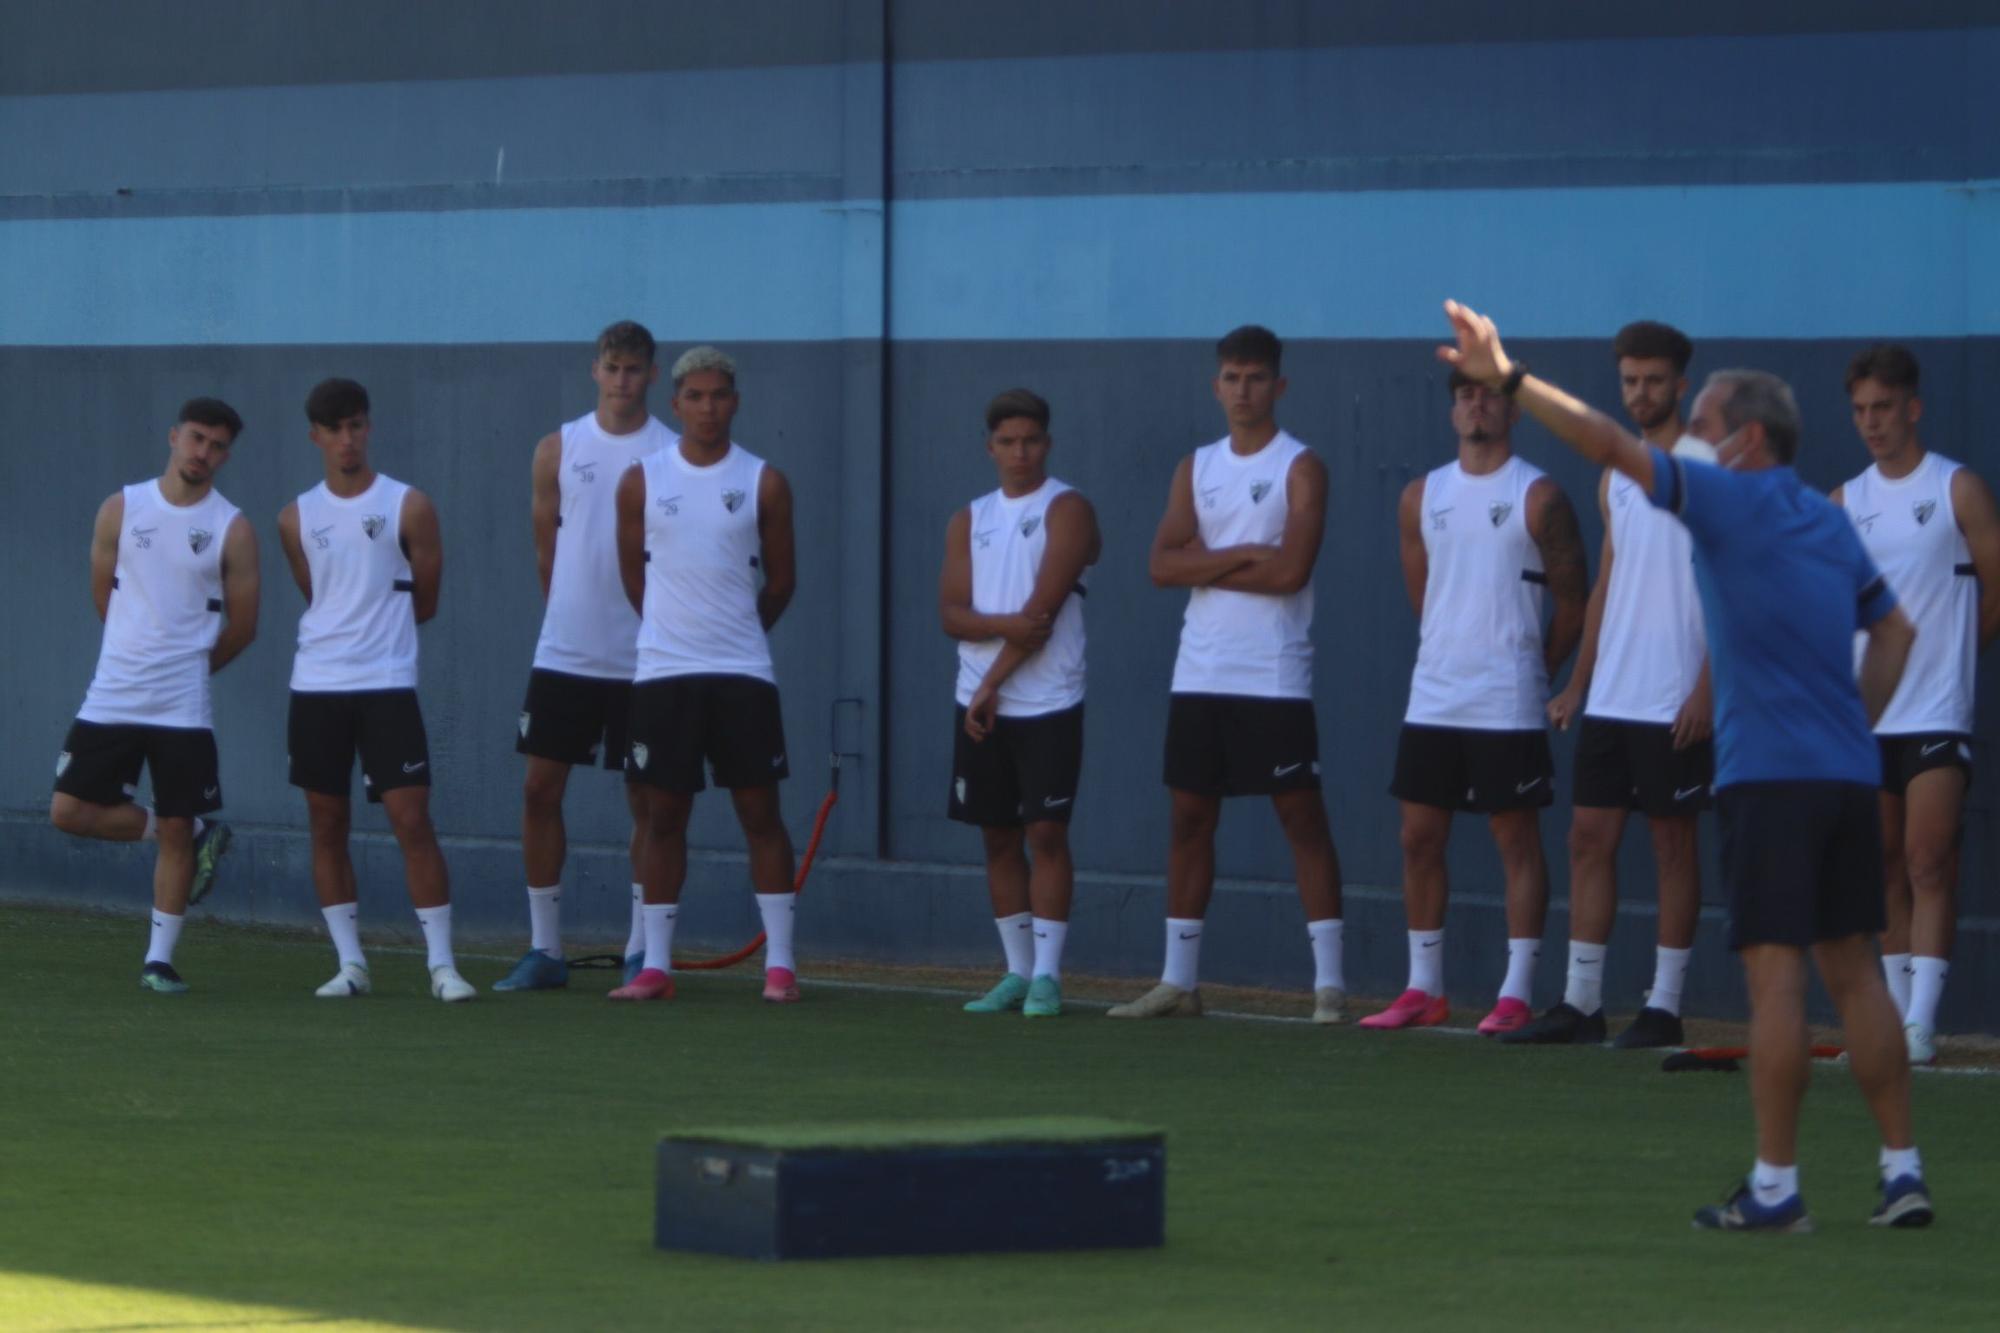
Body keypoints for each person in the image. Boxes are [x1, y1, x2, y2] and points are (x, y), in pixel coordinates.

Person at [1436, 298, 1930, 1231]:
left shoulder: (1726, 492)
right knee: (1859, 975)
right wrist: (1856, 728)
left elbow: (1605, 444)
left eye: (1700, 423)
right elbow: (1897, 630)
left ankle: (1778, 1189)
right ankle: (1903, 1172)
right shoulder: (1829, 521)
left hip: (1773, 780)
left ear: (1743, 439)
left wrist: (1508, 376)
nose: (1683, 436)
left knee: (1777, 985)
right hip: (1841, 777)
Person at [1108, 325, 1347, 1023]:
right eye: (1232, 378)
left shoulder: (1303, 465)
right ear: (1217, 387)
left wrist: (1208, 558)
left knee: (1301, 817)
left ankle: (1328, 985)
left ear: (1279, 385)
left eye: (1256, 378)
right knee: (1189, 817)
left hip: (1272, 674)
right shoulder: (1197, 466)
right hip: (1200, 671)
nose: (1244, 390)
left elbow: (1291, 571)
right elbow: (1160, 565)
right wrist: (1246, 551)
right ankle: (1179, 982)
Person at [1508, 322, 1714, 1048]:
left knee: (1671, 848)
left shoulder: (1710, 466)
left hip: (1677, 697)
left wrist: (1707, 690)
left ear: (1681, 385)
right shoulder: (1614, 474)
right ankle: (1582, 1002)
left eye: (1654, 380)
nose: (1641, 392)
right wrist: (1577, 686)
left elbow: (1741, 583)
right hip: (1614, 698)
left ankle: (1663, 1006)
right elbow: (1607, 587)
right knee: (1587, 839)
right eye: (1630, 380)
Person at [1362, 371, 1586, 1034]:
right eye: (1464, 394)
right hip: (1434, 694)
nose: (1476, 404)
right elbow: (1424, 596)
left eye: (1488, 393)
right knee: (1418, 836)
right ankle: (1423, 988)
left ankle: (1515, 992)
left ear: (1513, 408)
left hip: (1508, 698)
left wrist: (1533, 668)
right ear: (1453, 408)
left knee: (1514, 838)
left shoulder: (1539, 495)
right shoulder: (1419, 497)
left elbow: (1575, 601)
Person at [609, 346, 801, 1003]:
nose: (708, 407)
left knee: (760, 812)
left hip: (742, 672)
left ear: (736, 401)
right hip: (664, 674)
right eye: (695, 396)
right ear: (676, 403)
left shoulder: (762, 481)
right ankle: (656, 965)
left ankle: (780, 964)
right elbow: (636, 577)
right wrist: (676, 632)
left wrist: (734, 634)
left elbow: (781, 583)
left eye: (719, 395)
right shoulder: (641, 479)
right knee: (663, 815)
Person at [49, 398, 256, 993]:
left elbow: (242, 626)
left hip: (182, 708)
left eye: (217, 446)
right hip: (112, 694)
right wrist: (135, 655)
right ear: (173, 436)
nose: (203, 454)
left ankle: (159, 960)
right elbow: (103, 599)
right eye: (196, 439)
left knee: (173, 821)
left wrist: (186, 666)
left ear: (226, 455)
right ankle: (195, 835)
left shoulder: (231, 528)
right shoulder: (122, 508)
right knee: (69, 811)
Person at [276, 378, 473, 1002]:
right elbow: (321, 598)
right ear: (316, 437)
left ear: (369, 427)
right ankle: (351, 964)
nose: (346, 440)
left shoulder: (408, 504)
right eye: (334, 430)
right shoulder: (294, 517)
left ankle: (442, 966)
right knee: (325, 820)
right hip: (316, 687)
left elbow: (428, 600)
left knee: (411, 819)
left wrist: (376, 639)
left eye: (356, 425)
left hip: (387, 686)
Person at [496, 321, 678, 992]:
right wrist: (571, 616)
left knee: (648, 802)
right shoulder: (558, 448)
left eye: (635, 369)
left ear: (652, 375)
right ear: (595, 371)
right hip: (567, 652)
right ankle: (545, 949)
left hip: (647, 658)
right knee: (539, 789)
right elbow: (548, 551)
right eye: (613, 368)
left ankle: (641, 948)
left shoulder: (670, 453)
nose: (623, 379)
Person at [1831, 345, 2000, 1064]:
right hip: (1866, 717)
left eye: (1882, 408)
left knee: (1929, 860)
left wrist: (1958, 657)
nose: (1871, 423)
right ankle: (1896, 1017)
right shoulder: (1846, 501)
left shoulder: (1956, 488)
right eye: (1861, 411)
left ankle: (1921, 1023)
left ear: (1913, 407)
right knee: (1886, 867)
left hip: (1936, 708)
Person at [939, 389, 1099, 1019]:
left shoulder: (1069, 507)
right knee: (997, 837)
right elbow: (952, 614)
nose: (1020, 452)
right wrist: (997, 637)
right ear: (990, 448)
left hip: (1048, 701)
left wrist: (990, 681)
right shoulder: (968, 518)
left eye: (1031, 440)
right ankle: (1016, 971)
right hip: (979, 701)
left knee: (1045, 833)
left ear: (1047, 444)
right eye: (1008, 442)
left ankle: (1049, 978)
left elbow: (1044, 616)